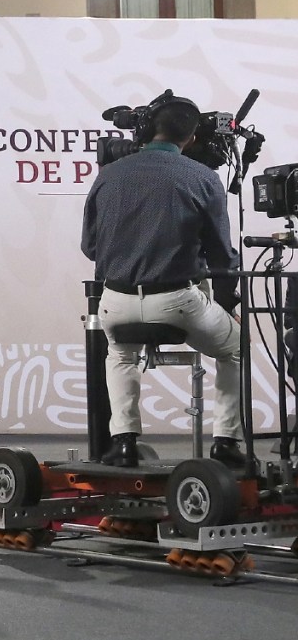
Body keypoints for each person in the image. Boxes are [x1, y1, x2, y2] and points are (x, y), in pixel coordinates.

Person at [81, 95, 247, 468]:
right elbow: (222, 257)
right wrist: (227, 305)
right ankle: (225, 443)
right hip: (177, 301)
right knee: (235, 348)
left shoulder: (108, 174)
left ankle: (123, 443)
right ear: (190, 139)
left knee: (120, 354)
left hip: (115, 300)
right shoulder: (203, 177)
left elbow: (90, 247)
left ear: (148, 129)